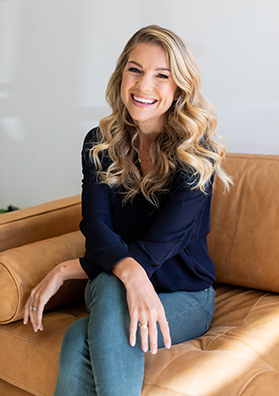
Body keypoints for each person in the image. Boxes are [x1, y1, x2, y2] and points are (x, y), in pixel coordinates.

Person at [23, 25, 231, 396]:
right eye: (135, 69)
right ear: (121, 75)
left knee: (77, 336)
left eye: (161, 76)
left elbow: (158, 246)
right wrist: (127, 276)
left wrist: (69, 269)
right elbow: (96, 225)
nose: (144, 85)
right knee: (109, 285)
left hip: (185, 294)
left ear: (179, 86)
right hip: (113, 286)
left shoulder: (199, 155)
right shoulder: (99, 143)